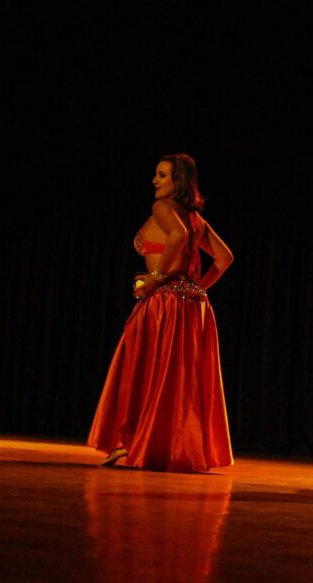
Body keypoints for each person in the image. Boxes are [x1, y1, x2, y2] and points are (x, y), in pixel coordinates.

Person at [88, 153, 234, 472]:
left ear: (178, 181)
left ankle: (132, 445)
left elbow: (179, 238)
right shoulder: (195, 218)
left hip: (165, 302)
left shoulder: (163, 209)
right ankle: (163, 448)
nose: (155, 180)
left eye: (162, 175)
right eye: (156, 174)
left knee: (140, 369)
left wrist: (154, 280)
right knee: (174, 380)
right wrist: (199, 289)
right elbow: (224, 259)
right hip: (191, 306)